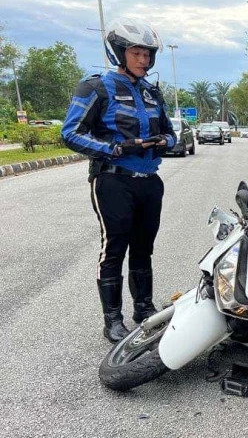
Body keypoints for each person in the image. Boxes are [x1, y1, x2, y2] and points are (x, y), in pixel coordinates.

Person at [62, 18, 176, 343]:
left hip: (149, 182)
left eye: (148, 54)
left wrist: (165, 141)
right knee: (114, 248)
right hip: (113, 182)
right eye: (137, 53)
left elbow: (170, 132)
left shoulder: (152, 93)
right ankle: (112, 320)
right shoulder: (96, 87)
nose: (144, 60)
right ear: (119, 52)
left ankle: (144, 309)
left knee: (144, 248)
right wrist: (113, 148)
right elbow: (70, 132)